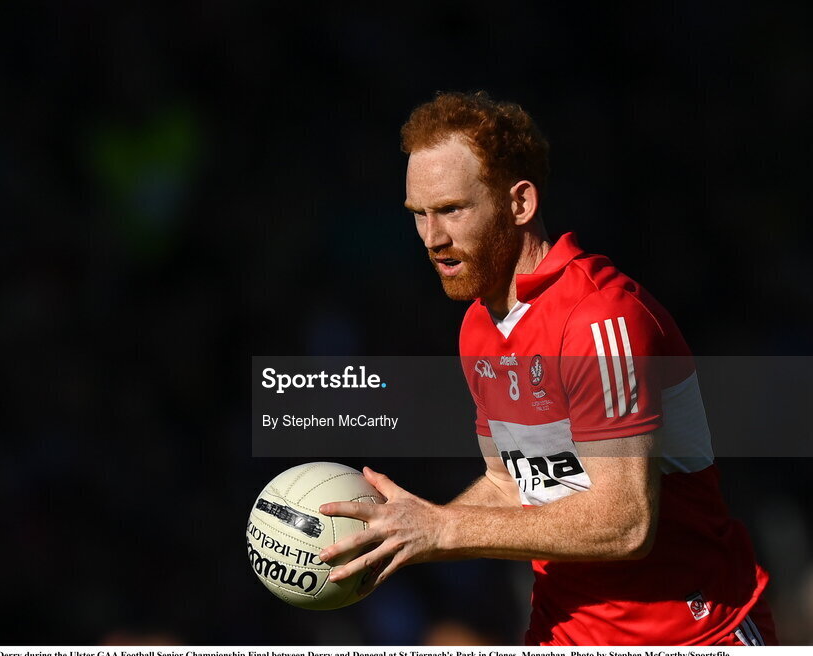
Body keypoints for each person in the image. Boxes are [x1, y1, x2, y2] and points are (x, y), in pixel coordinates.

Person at [317, 91, 775, 646]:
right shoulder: (478, 327)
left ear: (520, 203)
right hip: (562, 631)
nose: (433, 238)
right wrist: (406, 531)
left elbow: (626, 522)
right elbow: (511, 485)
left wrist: (443, 529)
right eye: (419, 214)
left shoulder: (600, 318)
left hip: (692, 632)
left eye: (452, 209)